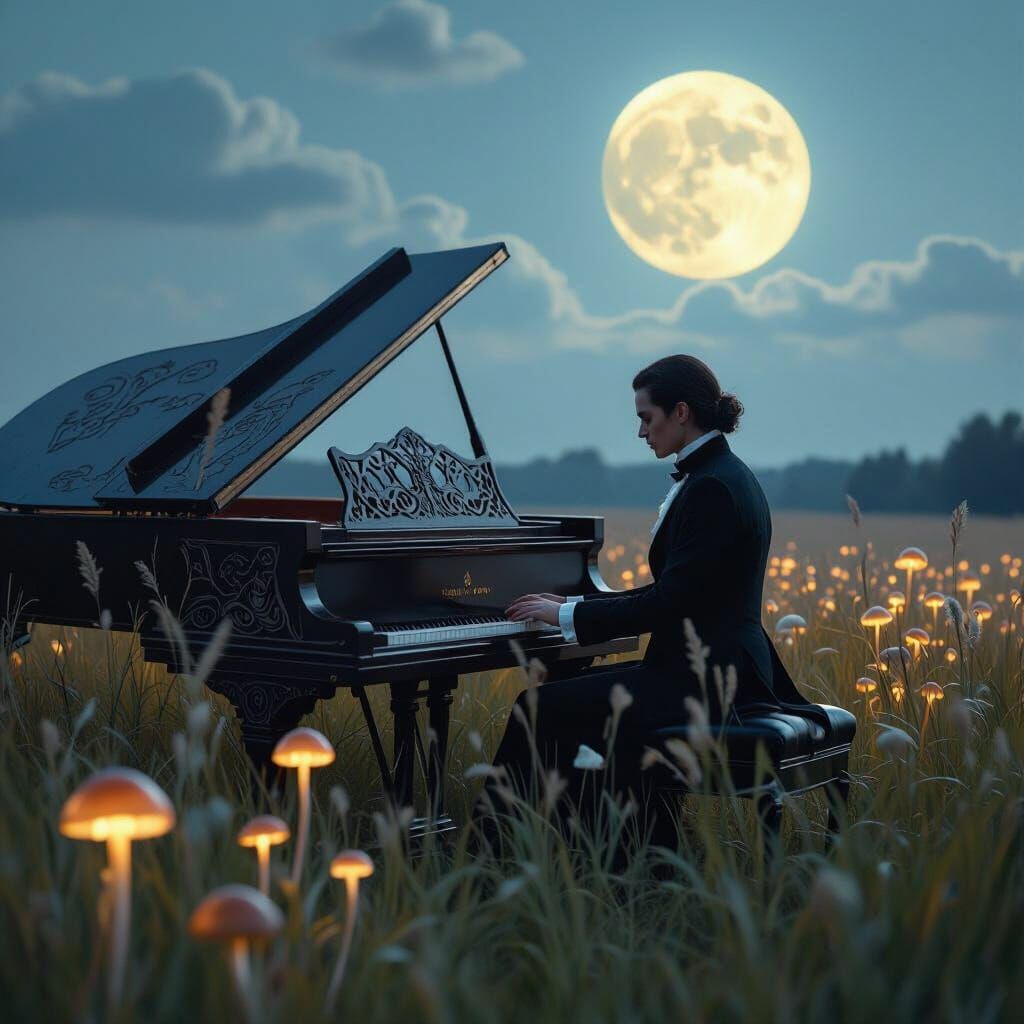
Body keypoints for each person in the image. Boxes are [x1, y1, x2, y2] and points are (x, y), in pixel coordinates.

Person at [473, 354, 812, 847]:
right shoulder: (722, 474)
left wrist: (567, 612)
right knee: (569, 697)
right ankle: (608, 846)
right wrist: (571, 607)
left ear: (680, 412)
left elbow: (669, 601)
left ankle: (497, 853)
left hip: (707, 681)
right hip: (712, 667)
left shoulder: (712, 488)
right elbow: (682, 589)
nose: (640, 433)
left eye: (645, 418)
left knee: (538, 707)